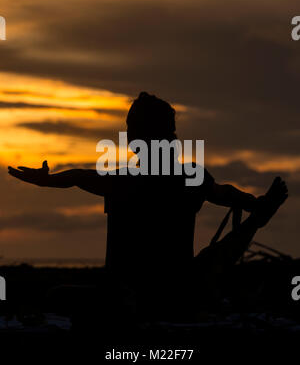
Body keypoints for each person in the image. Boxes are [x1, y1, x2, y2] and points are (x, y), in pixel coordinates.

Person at [8, 92, 288, 321]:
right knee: (215, 257)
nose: (128, 136)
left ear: (143, 137)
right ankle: (258, 219)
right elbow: (225, 193)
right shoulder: (188, 176)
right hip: (179, 294)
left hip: (133, 296)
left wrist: (46, 182)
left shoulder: (125, 180)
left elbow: (79, 176)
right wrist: (256, 205)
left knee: (56, 296)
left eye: (132, 129)